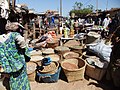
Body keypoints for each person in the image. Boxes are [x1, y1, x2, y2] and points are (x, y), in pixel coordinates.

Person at [0, 22, 31, 90]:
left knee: (12, 80)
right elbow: (22, 43)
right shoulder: (15, 35)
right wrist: (23, 50)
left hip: (7, 65)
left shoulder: (1, 38)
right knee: (22, 80)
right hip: (18, 64)